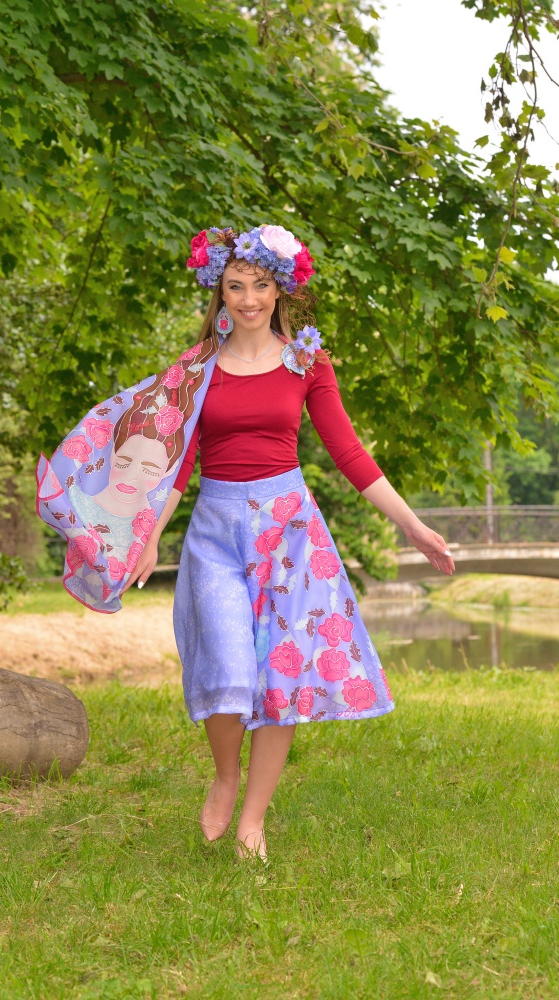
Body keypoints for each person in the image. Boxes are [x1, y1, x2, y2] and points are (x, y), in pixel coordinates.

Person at [117, 224, 455, 862]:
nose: (248, 299)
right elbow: (176, 462)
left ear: (280, 290)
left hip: (290, 534)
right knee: (226, 665)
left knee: (282, 675)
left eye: (260, 286)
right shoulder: (195, 368)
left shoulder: (307, 361)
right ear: (218, 291)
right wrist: (151, 535)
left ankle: (253, 821)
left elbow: (348, 452)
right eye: (235, 286)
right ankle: (225, 776)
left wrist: (411, 526)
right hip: (216, 531)